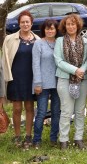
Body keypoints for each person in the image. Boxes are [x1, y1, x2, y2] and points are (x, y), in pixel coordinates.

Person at [2, 11, 39, 148]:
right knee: (17, 109)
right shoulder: (10, 39)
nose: (25, 24)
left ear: (31, 23)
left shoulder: (38, 40)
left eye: (27, 22)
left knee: (30, 107)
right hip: (15, 78)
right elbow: (4, 61)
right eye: (22, 22)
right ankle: (17, 136)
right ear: (19, 23)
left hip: (31, 79)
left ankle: (28, 136)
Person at [54, 14, 87, 150]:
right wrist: (75, 70)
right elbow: (58, 61)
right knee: (66, 111)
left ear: (78, 26)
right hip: (65, 79)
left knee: (80, 111)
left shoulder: (85, 41)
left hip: (83, 80)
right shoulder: (59, 41)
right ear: (64, 26)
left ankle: (78, 138)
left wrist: (82, 70)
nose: (70, 26)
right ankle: (63, 140)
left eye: (73, 24)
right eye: (68, 24)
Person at [32, 19, 60, 148]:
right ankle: (36, 139)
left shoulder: (59, 43)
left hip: (58, 83)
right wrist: (37, 83)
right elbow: (35, 64)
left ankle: (53, 138)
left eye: (52, 28)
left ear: (56, 30)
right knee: (41, 112)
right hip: (42, 84)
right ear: (44, 30)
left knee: (56, 112)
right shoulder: (38, 44)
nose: (50, 31)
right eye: (48, 29)